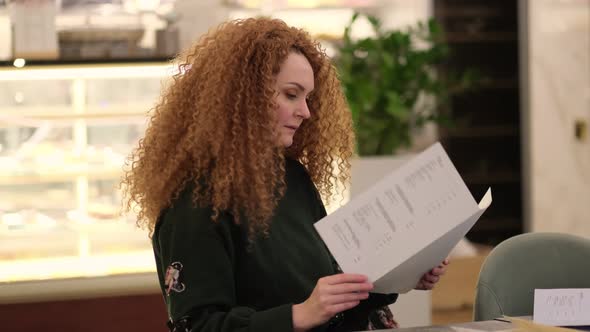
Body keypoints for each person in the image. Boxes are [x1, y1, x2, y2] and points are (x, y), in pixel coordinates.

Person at [121, 17, 448, 332]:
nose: (306, 112)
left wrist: (399, 277)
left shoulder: (292, 178)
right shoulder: (193, 203)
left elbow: (329, 301)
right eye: (291, 94)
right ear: (244, 94)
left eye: (307, 98)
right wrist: (298, 316)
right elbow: (198, 324)